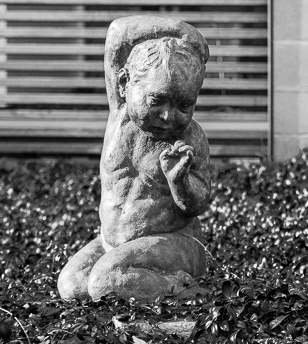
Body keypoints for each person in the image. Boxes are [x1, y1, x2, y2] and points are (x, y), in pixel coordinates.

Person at [58, 16, 213, 301]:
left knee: (104, 281)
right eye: (156, 101)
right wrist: (181, 31)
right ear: (124, 84)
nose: (168, 116)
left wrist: (179, 182)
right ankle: (138, 279)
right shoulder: (119, 117)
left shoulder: (191, 138)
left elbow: (200, 202)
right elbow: (117, 33)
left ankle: (182, 288)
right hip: (110, 243)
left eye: (184, 106)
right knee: (72, 286)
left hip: (176, 244)